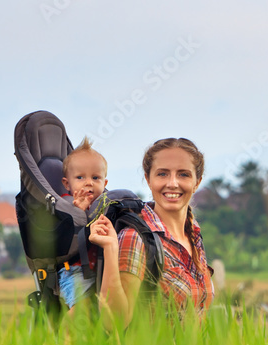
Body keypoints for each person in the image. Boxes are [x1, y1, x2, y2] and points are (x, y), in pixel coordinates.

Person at [91, 137, 214, 328]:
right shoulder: (136, 237)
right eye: (162, 174)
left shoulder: (194, 233)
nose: (172, 183)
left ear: (197, 182)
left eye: (183, 175)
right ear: (148, 179)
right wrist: (110, 248)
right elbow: (113, 323)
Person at [58, 136, 108, 310]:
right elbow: (65, 241)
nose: (89, 183)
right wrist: (79, 213)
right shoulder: (65, 205)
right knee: (82, 308)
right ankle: (66, 336)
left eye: (96, 178)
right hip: (74, 270)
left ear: (105, 183)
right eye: (80, 177)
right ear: (67, 184)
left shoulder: (105, 205)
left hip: (102, 267)